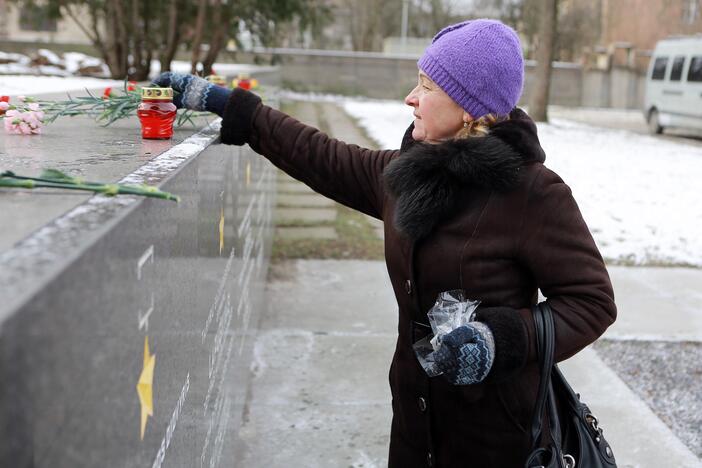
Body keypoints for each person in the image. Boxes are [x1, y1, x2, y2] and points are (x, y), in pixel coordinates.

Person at [155, 18, 616, 468]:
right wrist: (232, 106)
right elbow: (321, 156)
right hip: (416, 420)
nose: (410, 98)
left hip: (499, 434)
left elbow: (591, 301)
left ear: (471, 110)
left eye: (428, 87)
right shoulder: (407, 175)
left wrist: (498, 338)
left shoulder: (533, 194)